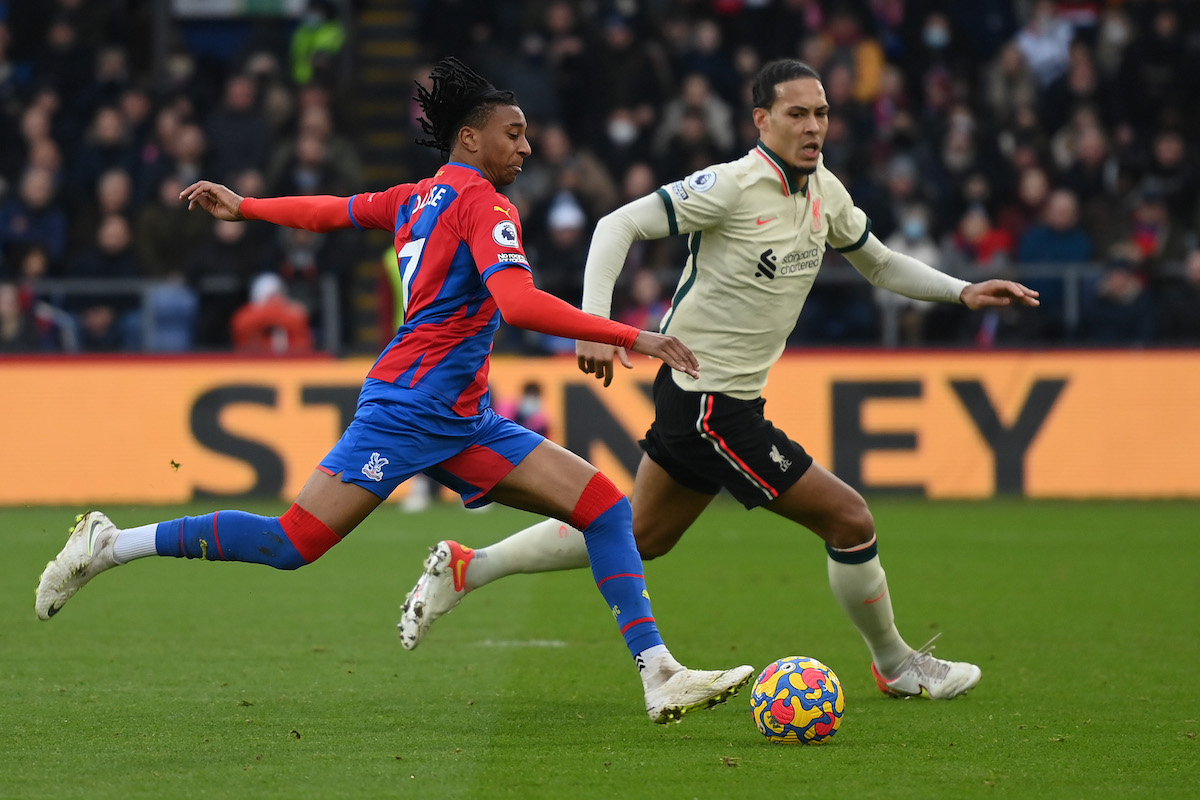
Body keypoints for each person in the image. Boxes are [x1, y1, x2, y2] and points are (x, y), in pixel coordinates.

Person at [34, 57, 752, 725]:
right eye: (514, 134)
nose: (527, 148)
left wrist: (248, 207)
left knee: (602, 506)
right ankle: (112, 543)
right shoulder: (486, 206)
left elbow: (334, 210)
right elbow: (520, 304)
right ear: (470, 139)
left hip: (461, 418)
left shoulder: (416, 197)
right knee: (293, 543)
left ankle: (658, 673)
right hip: (410, 410)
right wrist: (633, 334)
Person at [398, 58, 1041, 700]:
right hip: (709, 404)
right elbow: (614, 225)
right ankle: (897, 665)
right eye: (796, 114)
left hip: (715, 402)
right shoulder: (731, 186)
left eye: (820, 113)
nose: (813, 126)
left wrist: (963, 291)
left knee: (639, 534)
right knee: (850, 521)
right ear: (762, 120)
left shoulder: (826, 191)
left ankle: (467, 568)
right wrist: (595, 324)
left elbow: (877, 264)